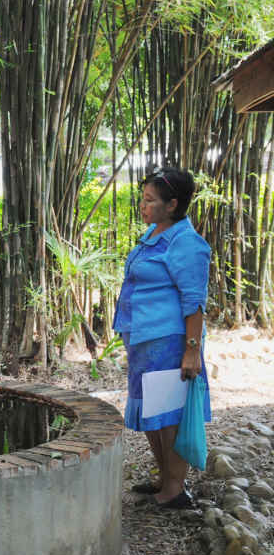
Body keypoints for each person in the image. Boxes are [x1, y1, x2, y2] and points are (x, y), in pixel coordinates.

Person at [112, 166, 211, 509]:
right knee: (154, 414)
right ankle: (164, 479)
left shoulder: (186, 243)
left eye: (150, 200)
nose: (143, 206)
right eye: (143, 199)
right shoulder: (154, 234)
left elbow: (194, 302)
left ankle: (174, 490)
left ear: (172, 204)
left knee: (168, 415)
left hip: (169, 341)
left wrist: (191, 352)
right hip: (144, 340)